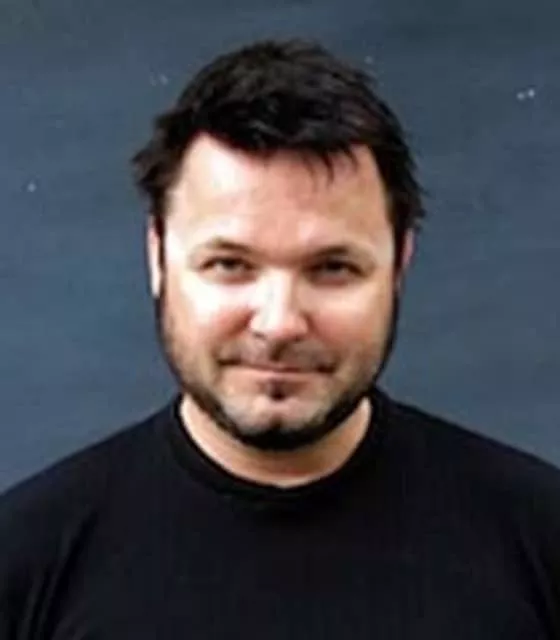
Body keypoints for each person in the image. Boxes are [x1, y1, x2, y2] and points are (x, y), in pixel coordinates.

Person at [0, 38, 559, 639]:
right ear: (157, 258)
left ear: (400, 264)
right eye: (230, 265)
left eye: (333, 268)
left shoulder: (541, 540)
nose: (280, 322)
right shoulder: (24, 561)